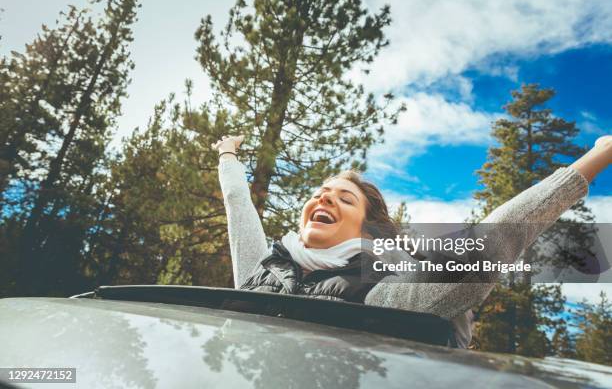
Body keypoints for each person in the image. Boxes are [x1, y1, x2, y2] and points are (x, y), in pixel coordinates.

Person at [213, 134, 611, 347]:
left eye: (343, 197)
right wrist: (228, 154)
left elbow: (487, 246)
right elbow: (238, 206)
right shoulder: (262, 267)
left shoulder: (381, 288)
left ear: (367, 231)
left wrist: (598, 156)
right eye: (319, 193)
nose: (324, 197)